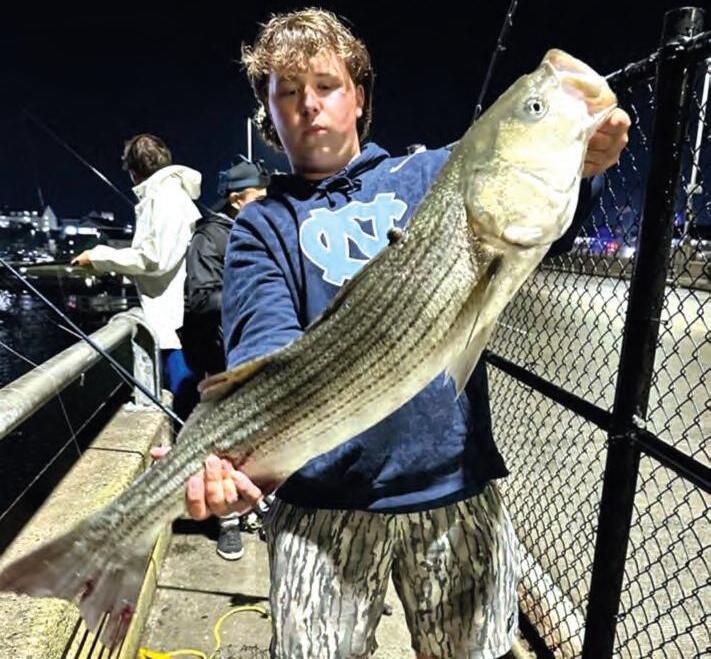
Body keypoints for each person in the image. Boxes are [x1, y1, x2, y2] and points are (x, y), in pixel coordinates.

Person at [162, 9, 630, 658]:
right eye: (286, 91)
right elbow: (265, 351)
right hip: (319, 505)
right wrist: (235, 453)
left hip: (453, 487)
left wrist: (583, 161)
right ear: (268, 113)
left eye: (325, 85)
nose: (308, 104)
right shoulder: (260, 227)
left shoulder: (431, 174)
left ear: (358, 95)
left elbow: (528, 210)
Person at [72, 134, 202, 420]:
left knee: (186, 407)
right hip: (172, 322)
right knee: (183, 404)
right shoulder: (164, 195)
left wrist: (98, 257)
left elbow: (154, 259)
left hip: (175, 326)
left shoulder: (167, 198)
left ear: (133, 170)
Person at [180, 156, 270, 560]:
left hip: (253, 356)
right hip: (220, 359)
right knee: (221, 444)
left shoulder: (257, 230)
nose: (266, 202)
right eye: (259, 196)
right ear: (237, 199)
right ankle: (228, 523)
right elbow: (199, 298)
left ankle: (257, 507)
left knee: (257, 438)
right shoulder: (209, 238)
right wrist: (250, 289)